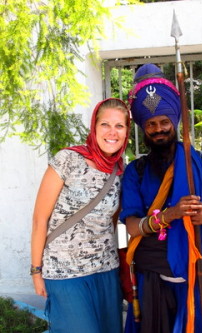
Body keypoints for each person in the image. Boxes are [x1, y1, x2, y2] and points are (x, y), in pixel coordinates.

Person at [120, 64, 202, 333]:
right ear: (144, 129)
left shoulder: (199, 163)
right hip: (153, 278)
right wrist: (168, 215)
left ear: (175, 123)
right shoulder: (136, 170)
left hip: (196, 274)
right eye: (151, 125)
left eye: (164, 123)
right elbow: (133, 226)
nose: (159, 129)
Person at [31, 97, 130, 333]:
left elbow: (111, 222)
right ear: (94, 127)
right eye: (105, 124)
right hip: (65, 271)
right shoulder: (68, 159)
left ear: (126, 132)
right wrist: (36, 270)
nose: (112, 132)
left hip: (106, 270)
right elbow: (39, 219)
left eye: (119, 126)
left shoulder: (120, 169)